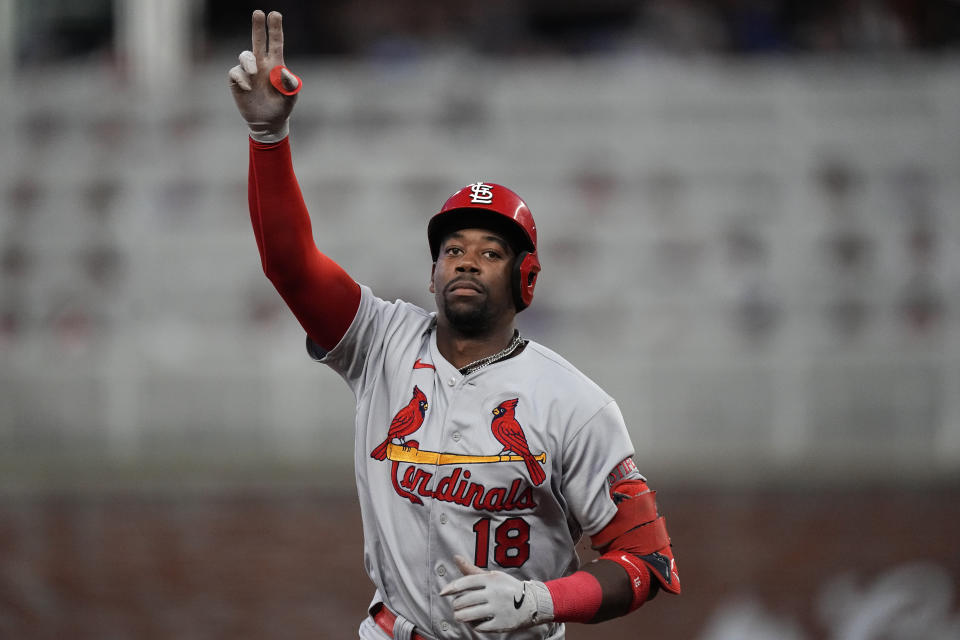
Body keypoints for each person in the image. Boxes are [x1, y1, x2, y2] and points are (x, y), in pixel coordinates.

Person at [229, 10, 681, 640]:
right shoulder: (379, 341)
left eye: (491, 251)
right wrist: (267, 137)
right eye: (453, 249)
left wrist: (541, 600)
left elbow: (648, 564)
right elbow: (289, 264)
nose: (467, 259)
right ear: (433, 272)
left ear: (524, 279)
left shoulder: (576, 405)